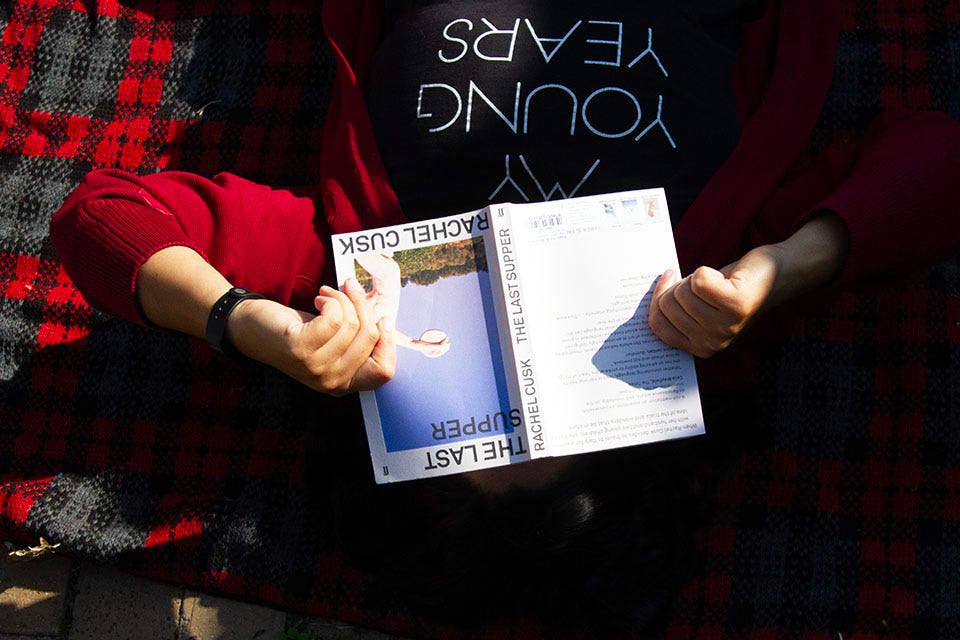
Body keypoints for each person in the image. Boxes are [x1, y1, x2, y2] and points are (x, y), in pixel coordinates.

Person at [49, 0, 960, 632]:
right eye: (553, 403)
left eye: (481, 418)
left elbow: (102, 221)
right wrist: (775, 271)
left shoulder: (358, 272)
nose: (517, 354)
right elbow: (937, 161)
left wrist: (246, 324)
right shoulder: (701, 282)